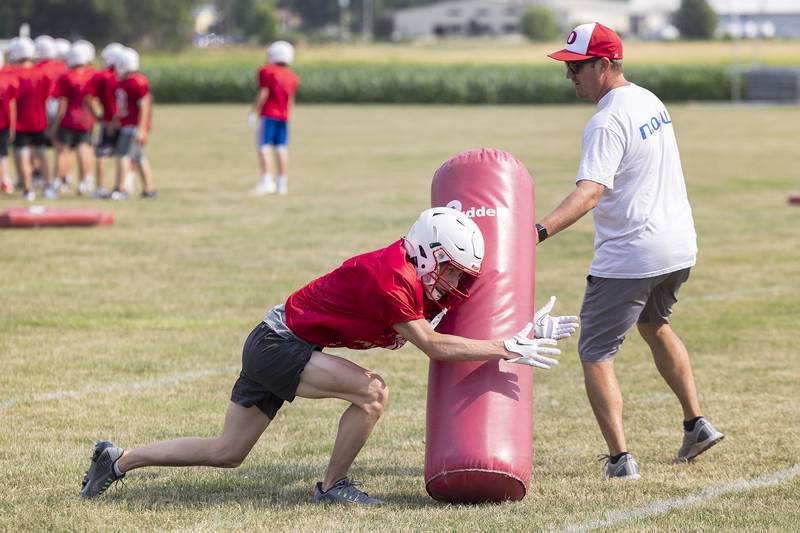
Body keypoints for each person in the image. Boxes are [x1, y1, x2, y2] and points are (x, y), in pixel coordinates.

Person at [80, 207, 578, 505]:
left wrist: (522, 328)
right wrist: (505, 348)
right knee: (373, 392)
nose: (452, 283)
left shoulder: (411, 268)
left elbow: (445, 324)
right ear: (427, 253)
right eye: (448, 270)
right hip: (280, 344)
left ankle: (118, 460)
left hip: (278, 339)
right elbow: (433, 345)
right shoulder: (393, 278)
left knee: (227, 452)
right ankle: (333, 485)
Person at [536, 23, 724, 480]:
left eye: (576, 67)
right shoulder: (649, 100)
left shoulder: (605, 121)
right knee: (655, 324)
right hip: (678, 246)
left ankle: (621, 460)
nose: (570, 77)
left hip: (632, 255)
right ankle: (696, 424)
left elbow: (589, 194)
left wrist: (536, 232)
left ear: (604, 64)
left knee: (595, 352)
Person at [248, 40, 299, 196]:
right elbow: (290, 99)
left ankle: (267, 181)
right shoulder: (292, 77)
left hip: (269, 114)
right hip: (284, 117)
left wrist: (253, 112)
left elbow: (264, 92)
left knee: (263, 147)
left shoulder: (267, 71)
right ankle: (282, 183)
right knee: (281, 148)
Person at [48, 42, 96, 198]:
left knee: (64, 151)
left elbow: (62, 103)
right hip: (87, 119)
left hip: (69, 119)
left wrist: (55, 125)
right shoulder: (93, 75)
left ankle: (57, 183)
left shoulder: (67, 77)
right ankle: (85, 182)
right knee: (85, 148)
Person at [8, 37, 52, 201]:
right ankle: (48, 187)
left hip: (20, 123)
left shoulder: (13, 74)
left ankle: (28, 189)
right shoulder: (42, 73)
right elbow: (47, 97)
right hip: (39, 121)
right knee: (42, 155)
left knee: (23, 157)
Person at [108, 47, 155, 200]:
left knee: (123, 156)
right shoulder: (124, 82)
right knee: (139, 158)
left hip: (133, 126)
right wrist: (115, 122)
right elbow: (123, 107)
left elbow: (145, 105)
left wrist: (142, 129)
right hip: (127, 124)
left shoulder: (137, 81)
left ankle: (121, 189)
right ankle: (149, 189)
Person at [86, 43, 123, 198]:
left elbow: (88, 96)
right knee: (124, 156)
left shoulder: (101, 76)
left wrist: (96, 115)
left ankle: (100, 187)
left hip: (108, 120)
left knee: (102, 155)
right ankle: (123, 186)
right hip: (125, 121)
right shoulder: (126, 75)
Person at [0, 49, 19, 194]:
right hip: (3, 123)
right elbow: (11, 106)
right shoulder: (7, 80)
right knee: (2, 154)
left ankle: (5, 180)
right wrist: (12, 125)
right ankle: (5, 180)